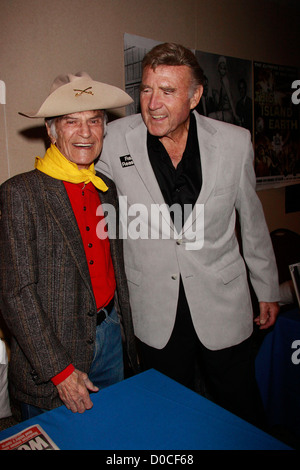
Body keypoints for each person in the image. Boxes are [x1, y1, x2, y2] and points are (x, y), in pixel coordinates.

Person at [96, 43, 280, 427]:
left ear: (195, 96)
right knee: (167, 412)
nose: (153, 103)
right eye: (146, 89)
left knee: (241, 406)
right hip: (154, 308)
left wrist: (266, 288)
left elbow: (252, 220)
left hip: (223, 301)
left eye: (168, 91)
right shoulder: (114, 139)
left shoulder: (234, 141)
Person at [0, 72, 139, 420]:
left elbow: (114, 265)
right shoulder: (20, 193)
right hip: (53, 355)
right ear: (51, 130)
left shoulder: (105, 186)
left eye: (94, 120)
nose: (86, 132)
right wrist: (60, 371)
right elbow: (16, 294)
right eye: (71, 122)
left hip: (110, 336)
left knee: (113, 434)